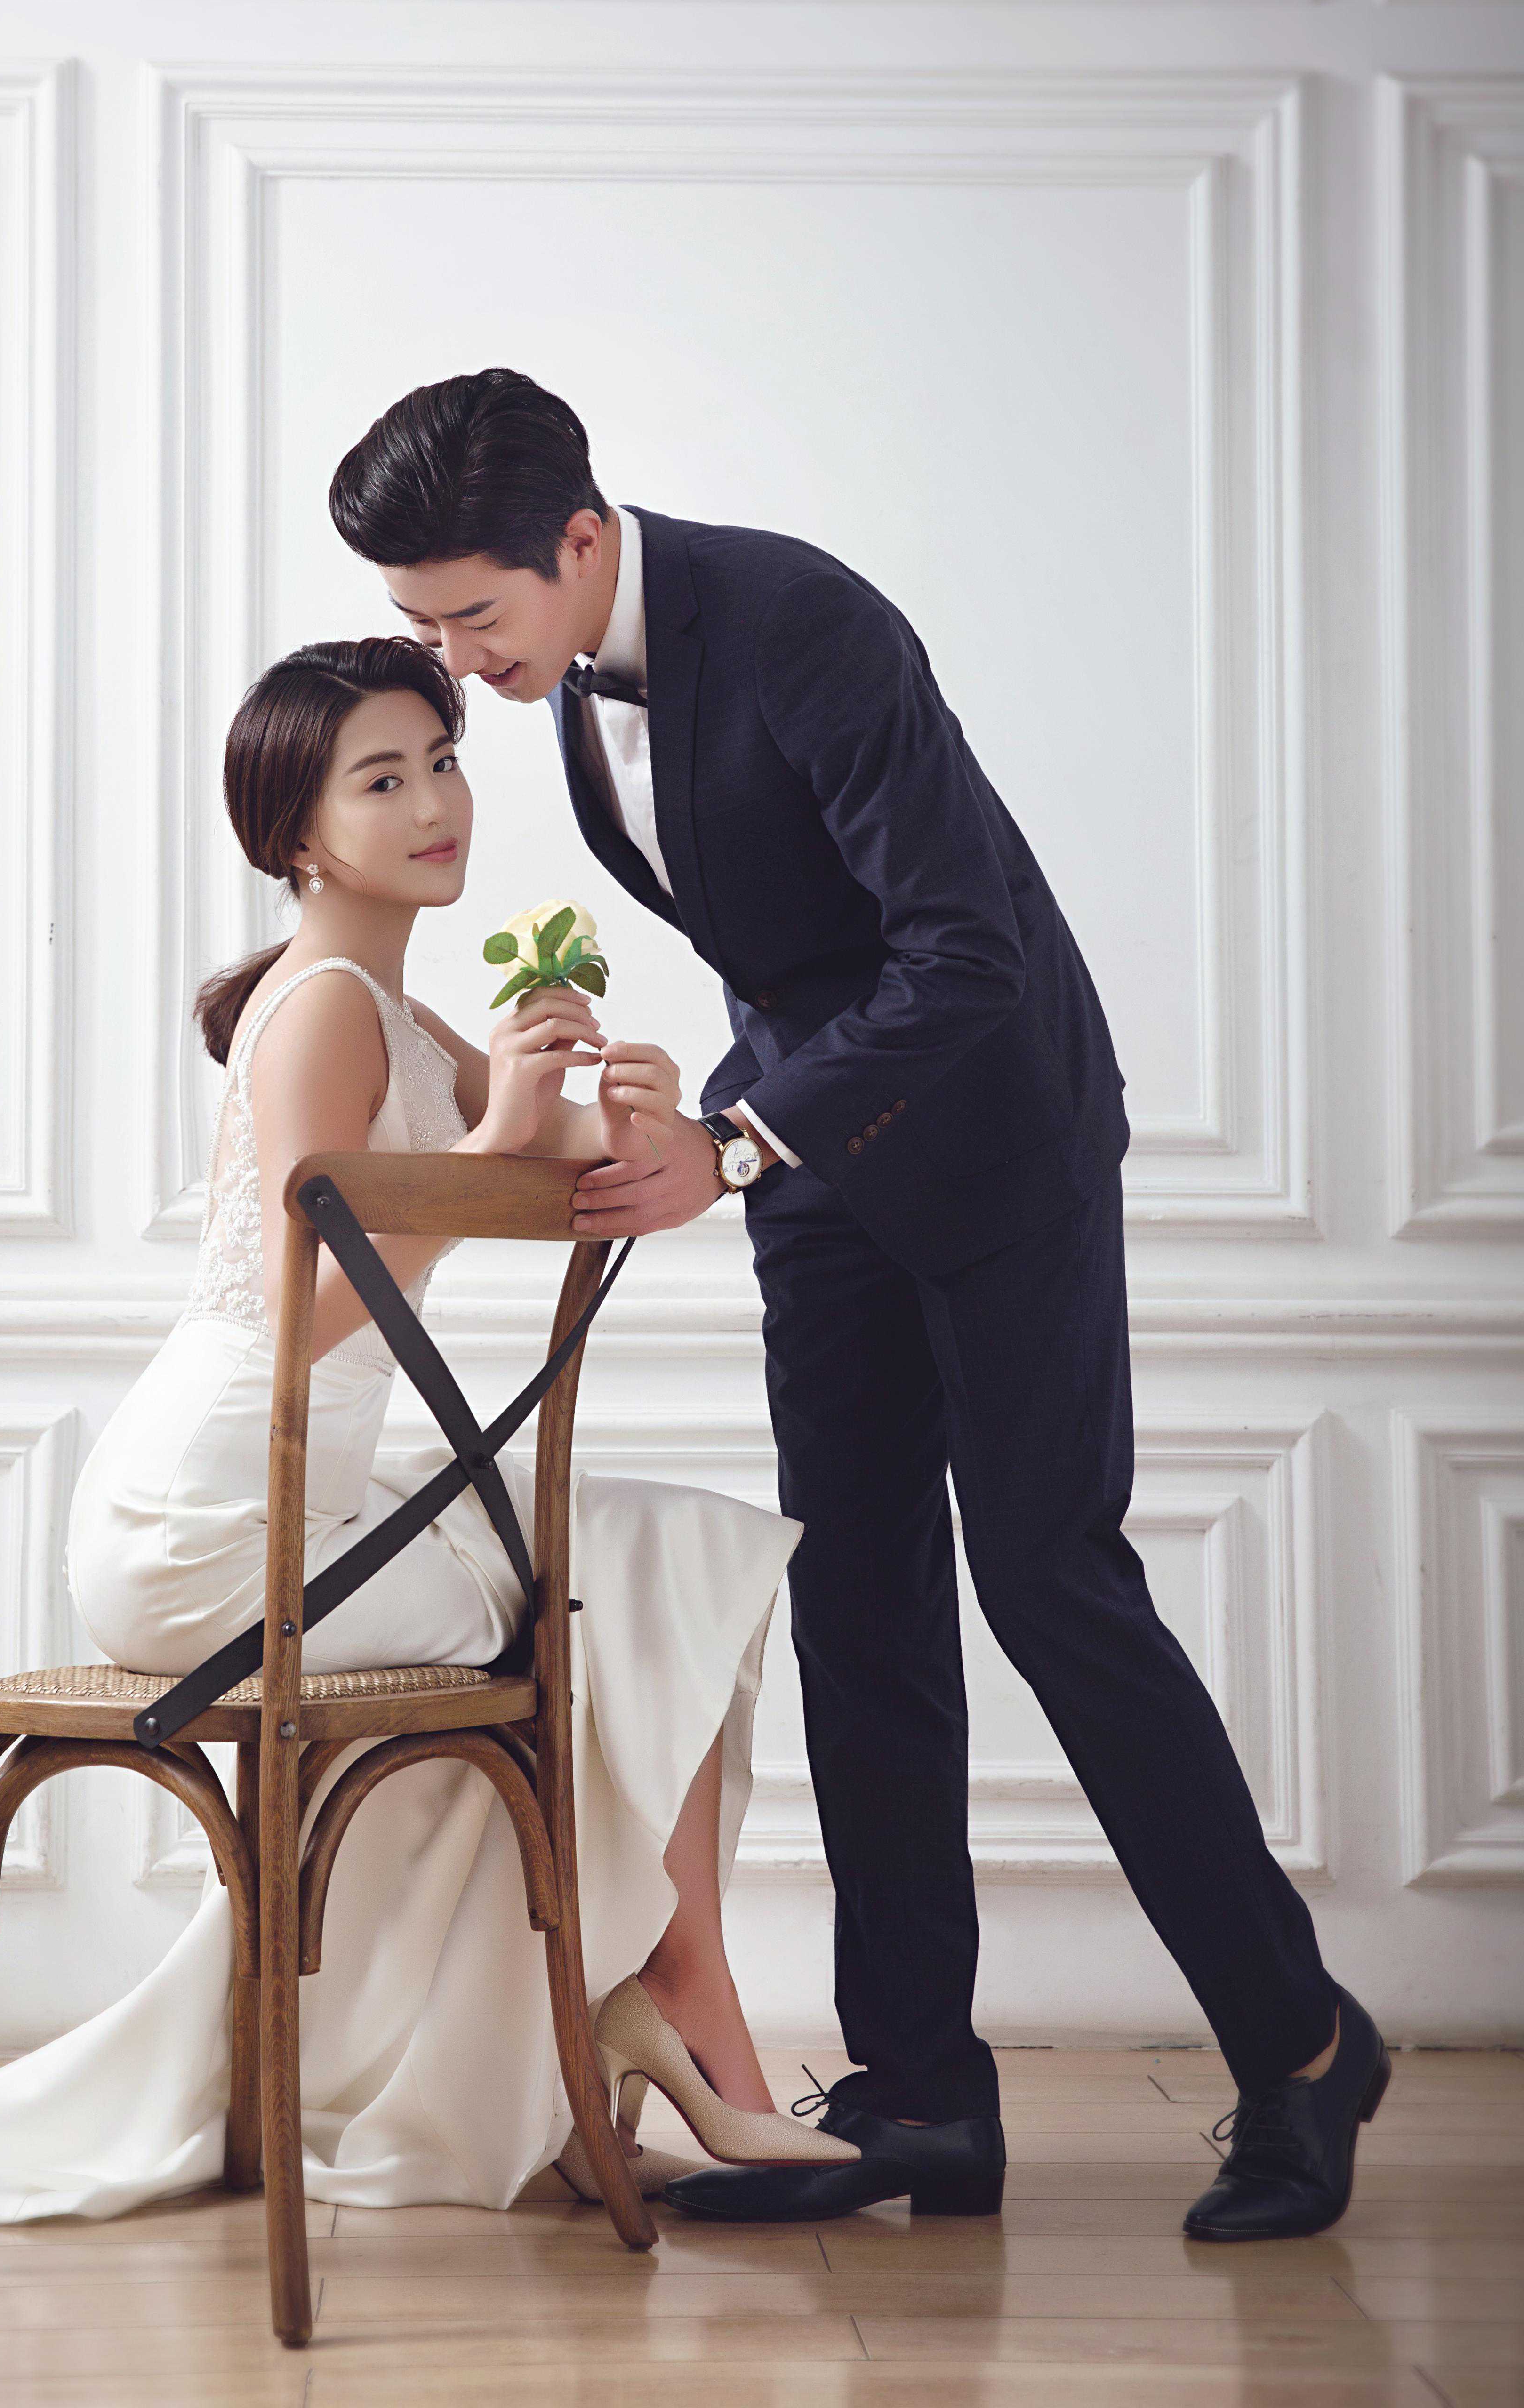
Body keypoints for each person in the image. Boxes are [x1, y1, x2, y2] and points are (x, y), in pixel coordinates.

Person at [328, 369, 1390, 2244]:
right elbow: (795, 949)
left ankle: (1302, 2046)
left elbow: (966, 950)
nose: (457, 665)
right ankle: (922, 2101)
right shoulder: (572, 688)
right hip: (820, 1174)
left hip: (995, 1145)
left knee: (1052, 1587)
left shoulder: (803, 622)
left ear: (577, 541)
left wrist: (736, 1144)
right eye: (424, 629)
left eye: (472, 618)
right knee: (862, 1604)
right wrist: (705, 1125)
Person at [0, 635, 855, 2224]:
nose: (435, 804)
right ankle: (656, 2010)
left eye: (442, 762)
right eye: (382, 780)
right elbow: (301, 1310)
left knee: (669, 1553)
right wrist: (496, 1147)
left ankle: (641, 2009)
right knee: (619, 1594)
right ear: (297, 835)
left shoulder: (399, 1013)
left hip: (313, 1490)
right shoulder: (318, 1013)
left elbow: (592, 1166)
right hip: (216, 1520)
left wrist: (654, 1109)